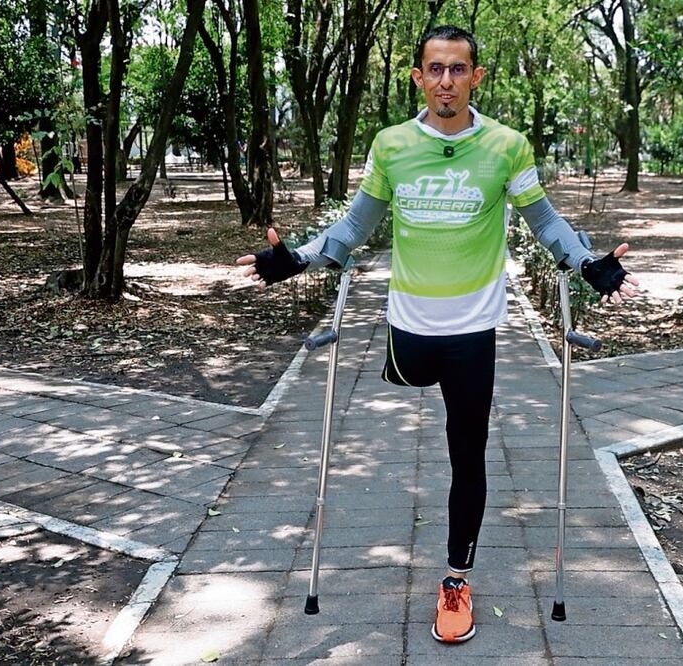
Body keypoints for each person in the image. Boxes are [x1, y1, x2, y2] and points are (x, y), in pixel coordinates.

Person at [237, 25, 638, 644]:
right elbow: (353, 228)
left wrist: (587, 264)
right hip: (409, 332)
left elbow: (545, 222)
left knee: (467, 455)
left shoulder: (506, 146)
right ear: (418, 77)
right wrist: (296, 259)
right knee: (410, 389)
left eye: (458, 69)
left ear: (475, 77)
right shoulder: (392, 145)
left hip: (474, 331)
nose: (445, 81)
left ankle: (456, 578)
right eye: (435, 69)